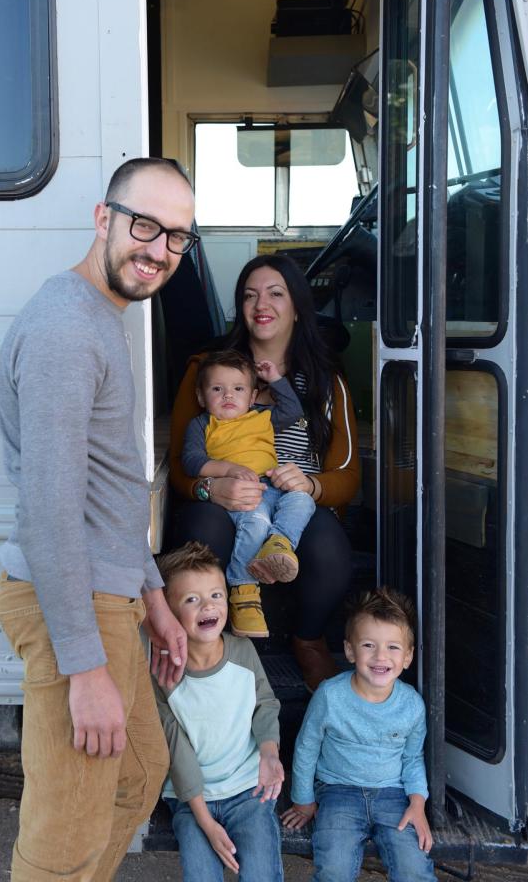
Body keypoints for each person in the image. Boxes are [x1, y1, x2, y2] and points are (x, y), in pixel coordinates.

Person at [0, 157, 197, 882]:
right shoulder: (65, 330)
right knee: (63, 838)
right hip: (69, 603)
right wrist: (84, 667)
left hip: (108, 593)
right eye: (145, 224)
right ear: (103, 217)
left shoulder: (100, 318)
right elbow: (49, 511)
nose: (158, 249)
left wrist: (151, 596)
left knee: (139, 773)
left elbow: (107, 491)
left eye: (177, 237)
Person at [169, 253, 360, 690]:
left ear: (297, 306)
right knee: (203, 527)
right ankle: (210, 648)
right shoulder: (207, 370)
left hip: (295, 505)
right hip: (228, 502)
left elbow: (349, 474)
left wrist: (312, 484)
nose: (262, 304)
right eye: (250, 295)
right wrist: (209, 489)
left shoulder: (325, 379)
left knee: (330, 550)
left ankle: (308, 641)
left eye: (277, 293)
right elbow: (183, 465)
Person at [281, 587, 437, 882]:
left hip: (394, 795)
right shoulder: (330, 695)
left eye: (393, 647)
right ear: (350, 651)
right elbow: (306, 748)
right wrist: (303, 799)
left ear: (407, 657)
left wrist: (418, 804)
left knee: (414, 868)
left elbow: (413, 758)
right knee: (334, 868)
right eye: (368, 645)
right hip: (338, 792)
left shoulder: (411, 704)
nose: (381, 656)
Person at [153, 541, 285, 881]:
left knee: (260, 875)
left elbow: (265, 703)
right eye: (191, 600)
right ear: (167, 613)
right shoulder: (164, 674)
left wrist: (269, 752)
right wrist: (205, 822)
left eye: (215, 595)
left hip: (248, 791)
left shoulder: (242, 652)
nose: (207, 606)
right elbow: (177, 751)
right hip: (190, 800)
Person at [182, 348, 315, 638]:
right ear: (202, 397)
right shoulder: (203, 424)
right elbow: (191, 461)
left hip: (273, 486)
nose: (228, 396)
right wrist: (227, 469)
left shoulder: (261, 416)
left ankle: (279, 544)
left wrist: (276, 379)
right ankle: (244, 594)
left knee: (302, 501)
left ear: (252, 397)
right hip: (240, 493)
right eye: (217, 389)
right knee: (256, 524)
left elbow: (293, 410)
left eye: (238, 389)